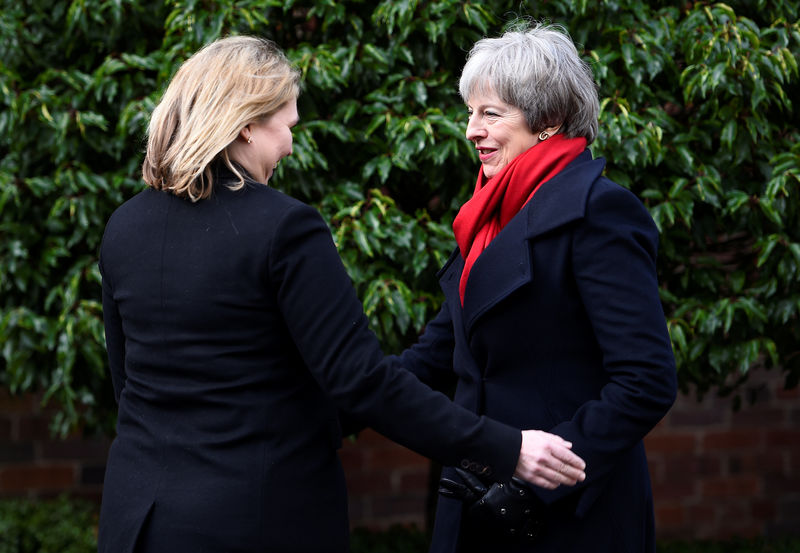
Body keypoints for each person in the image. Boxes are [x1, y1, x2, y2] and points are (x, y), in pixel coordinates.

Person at [96, 35, 587, 553]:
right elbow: (361, 383)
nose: (288, 145)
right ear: (246, 125)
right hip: (252, 521)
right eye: (286, 126)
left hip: (136, 522)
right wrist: (507, 448)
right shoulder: (284, 228)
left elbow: (129, 384)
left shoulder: (124, 227)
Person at [394, 21, 678, 553]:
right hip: (471, 505)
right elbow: (437, 356)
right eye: (470, 113)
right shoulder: (486, 220)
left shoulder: (599, 211)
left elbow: (646, 379)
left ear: (547, 121)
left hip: (562, 517)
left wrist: (535, 482)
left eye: (491, 114)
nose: (471, 130)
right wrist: (332, 402)